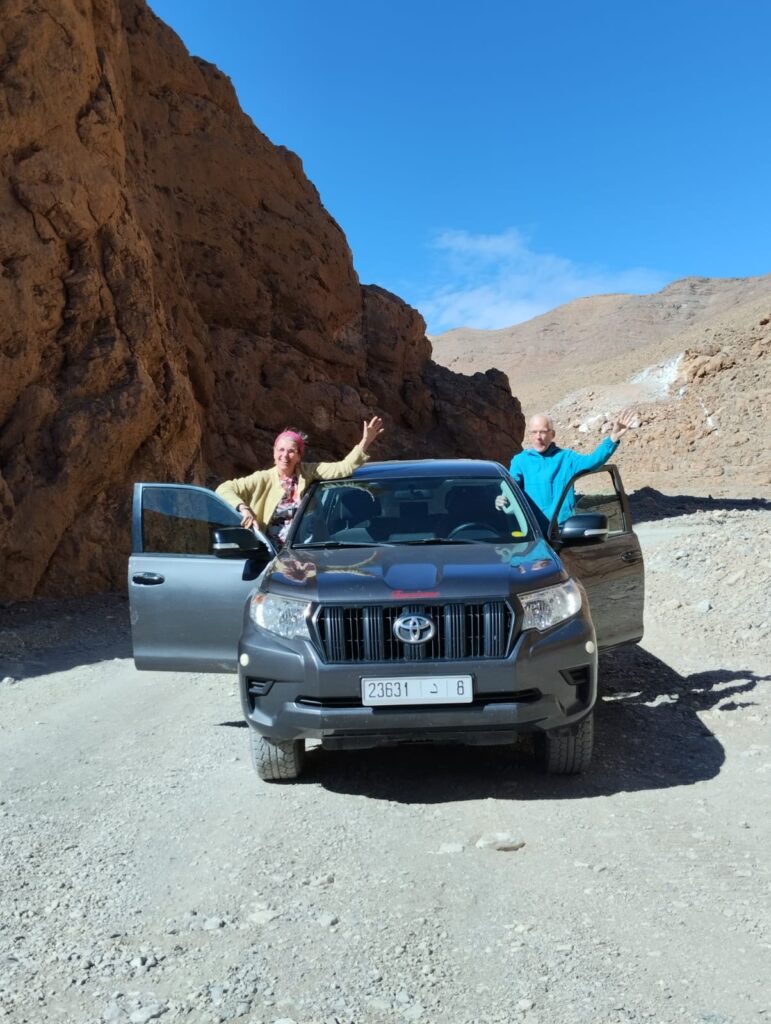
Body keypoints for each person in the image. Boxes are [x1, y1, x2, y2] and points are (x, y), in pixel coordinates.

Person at [216, 416, 384, 546]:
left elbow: (343, 467)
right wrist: (244, 509)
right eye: (281, 450)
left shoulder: (308, 472)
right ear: (274, 453)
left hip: (305, 552)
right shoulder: (263, 478)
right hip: (270, 553)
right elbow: (224, 489)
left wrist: (365, 441)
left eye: (291, 451)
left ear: (299, 456)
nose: (285, 455)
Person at [499, 409, 637, 533]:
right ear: (529, 435)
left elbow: (593, 461)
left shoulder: (567, 458)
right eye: (534, 432)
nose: (538, 436)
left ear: (552, 434)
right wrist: (502, 497)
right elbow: (511, 488)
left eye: (543, 431)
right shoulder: (520, 461)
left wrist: (613, 438)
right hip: (533, 533)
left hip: (562, 532)